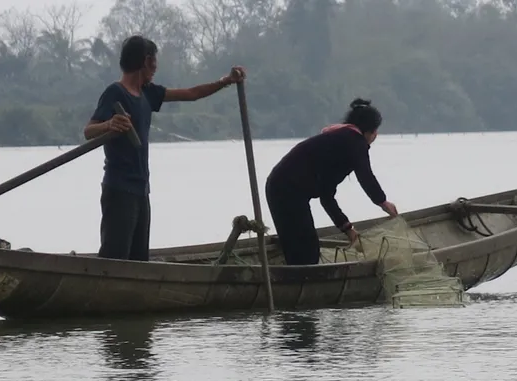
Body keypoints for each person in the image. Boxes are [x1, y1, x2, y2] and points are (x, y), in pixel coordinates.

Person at [84, 35, 246, 262]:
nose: (156, 68)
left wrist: (226, 81)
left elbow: (191, 94)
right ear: (146, 61)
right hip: (119, 189)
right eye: (154, 62)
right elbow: (89, 131)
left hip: (141, 190)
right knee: (114, 259)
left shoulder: (147, 93)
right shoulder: (115, 93)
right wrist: (109, 124)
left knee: (139, 260)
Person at [265, 98, 398, 266]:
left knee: (301, 249)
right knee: (305, 249)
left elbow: (326, 197)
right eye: (375, 131)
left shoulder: (337, 144)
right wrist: (382, 202)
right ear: (368, 131)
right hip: (287, 190)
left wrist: (349, 230)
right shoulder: (354, 141)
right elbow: (365, 175)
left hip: (278, 187)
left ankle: (296, 285)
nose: (376, 136)